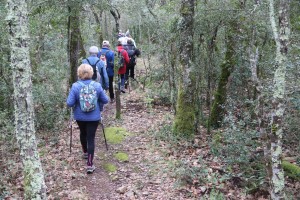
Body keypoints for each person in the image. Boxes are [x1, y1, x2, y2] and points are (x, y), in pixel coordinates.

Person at [67, 64, 109, 174]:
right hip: (94, 117)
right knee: (91, 138)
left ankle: (85, 152)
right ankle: (90, 164)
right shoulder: (97, 85)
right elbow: (105, 100)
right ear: (91, 73)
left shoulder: (75, 86)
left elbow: (69, 103)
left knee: (82, 133)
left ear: (79, 73)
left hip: (80, 117)